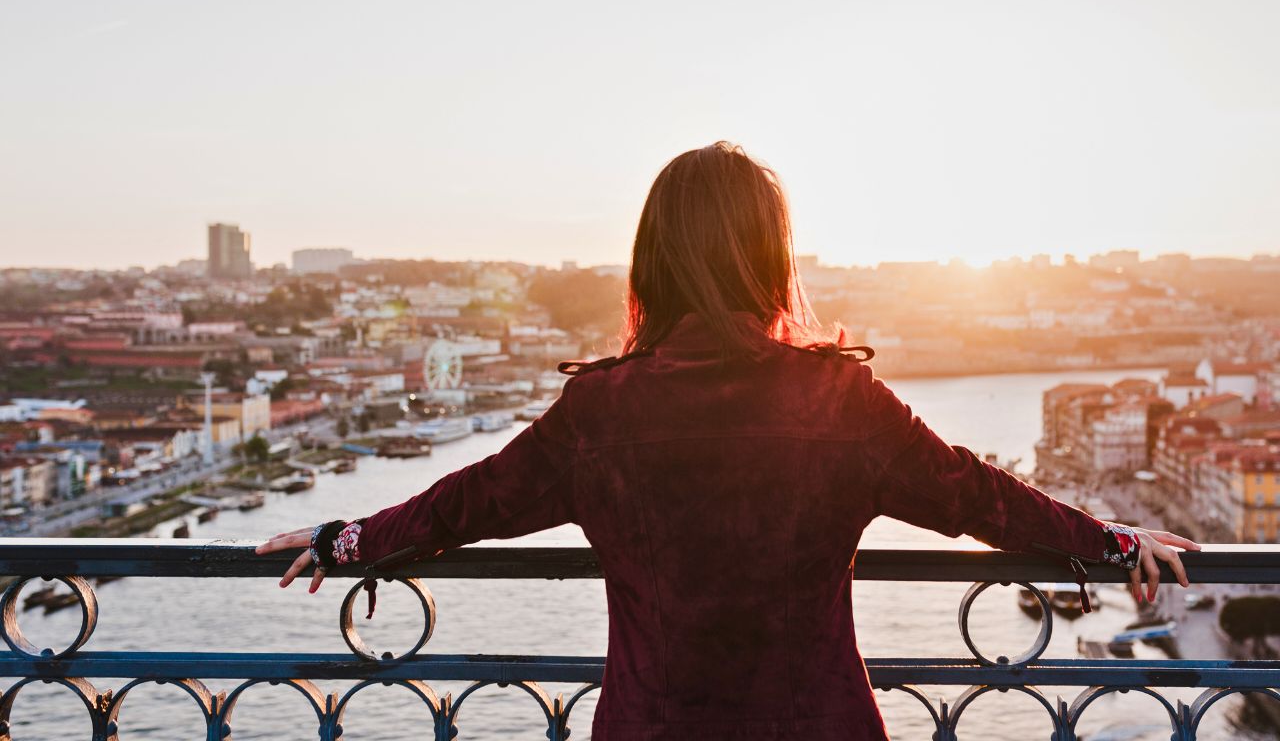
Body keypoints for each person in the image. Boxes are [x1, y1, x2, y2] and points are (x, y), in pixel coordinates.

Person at [257, 141, 1199, 741]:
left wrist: (346, 540)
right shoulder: (840, 399)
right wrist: (1114, 543)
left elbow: (466, 504)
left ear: (652, 260)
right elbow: (978, 497)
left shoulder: (603, 413)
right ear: (772, 257)